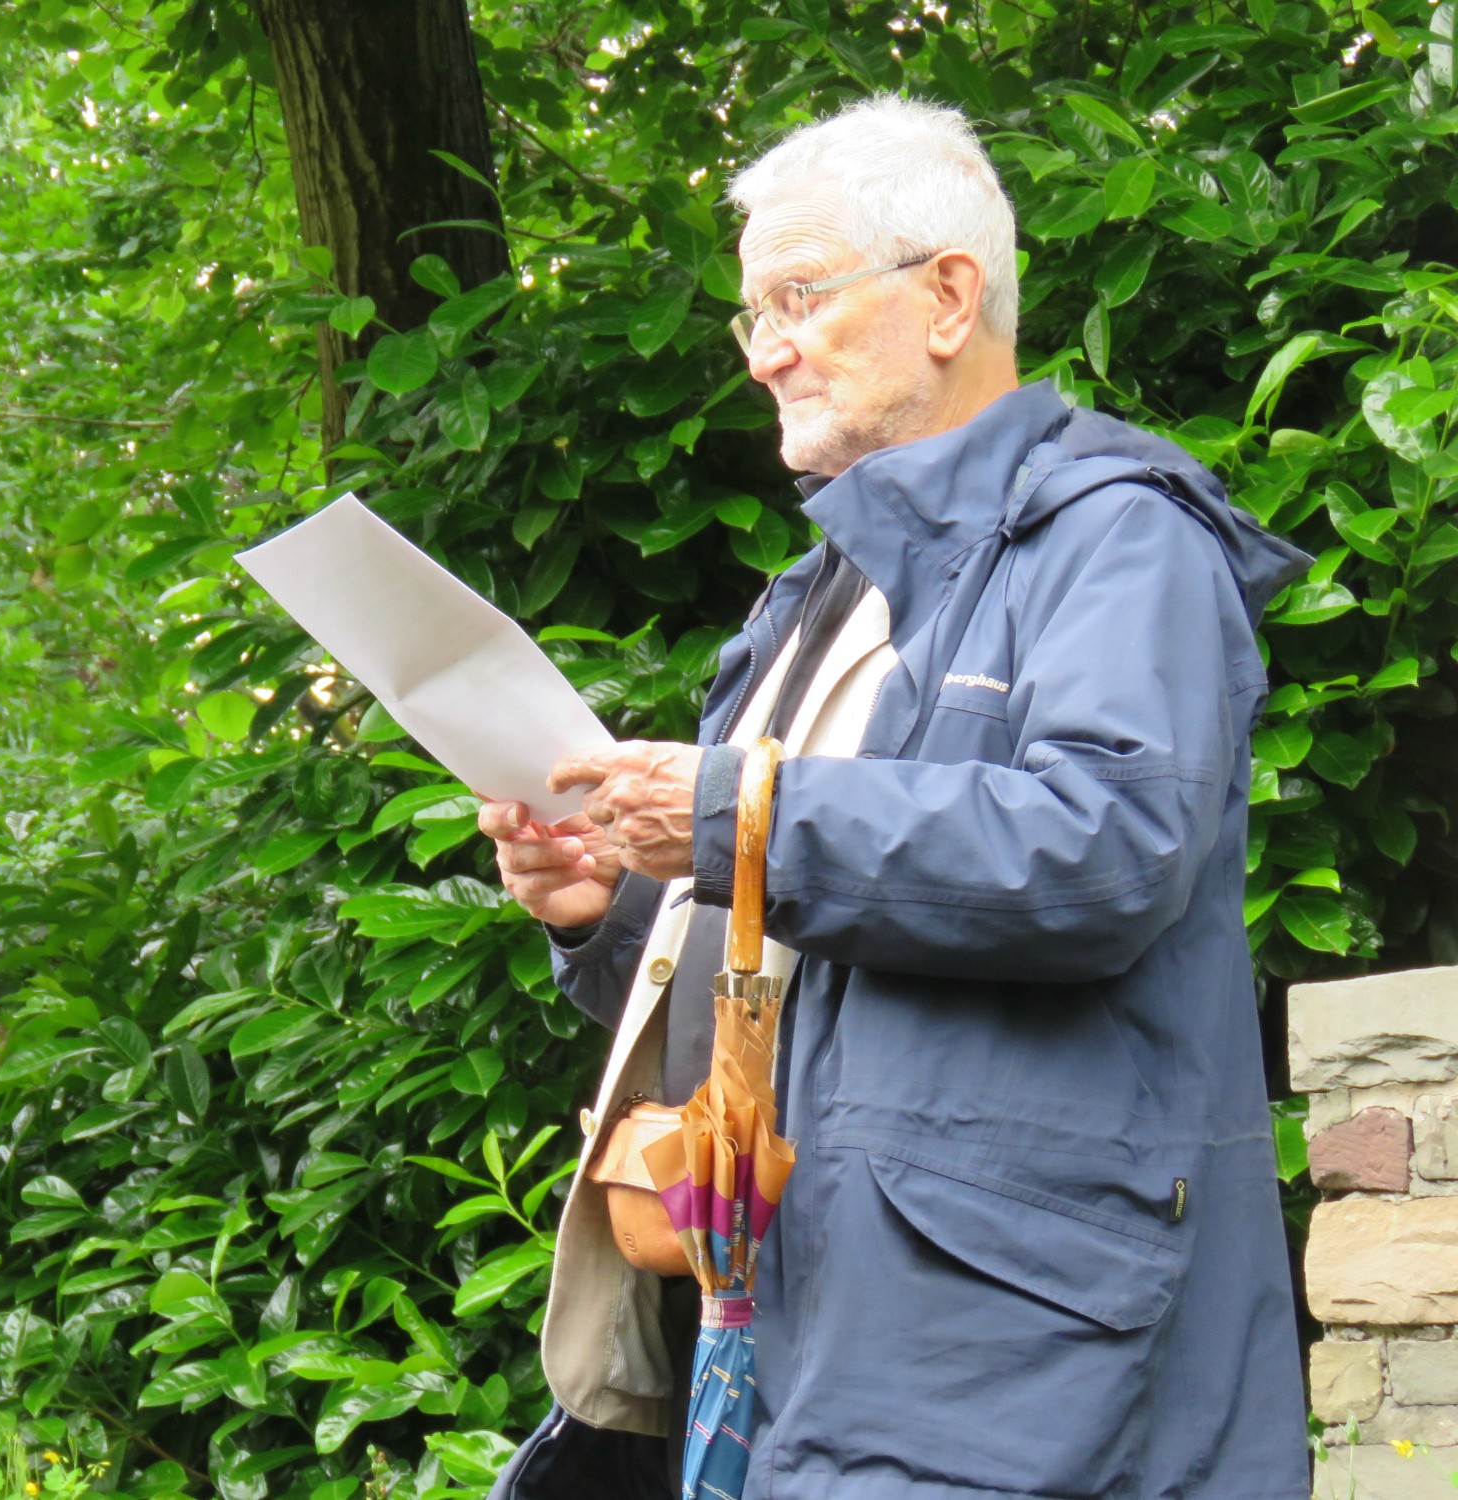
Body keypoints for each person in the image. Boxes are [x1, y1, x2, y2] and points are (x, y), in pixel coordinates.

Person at [479, 95, 1312, 1500]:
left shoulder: (1117, 536)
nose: (768, 353)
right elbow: (799, 952)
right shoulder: (816, 599)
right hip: (806, 1327)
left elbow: (1110, 850)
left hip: (1021, 1370)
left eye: (800, 297)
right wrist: (611, 907)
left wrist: (746, 819)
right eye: (753, 317)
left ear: (948, 296)